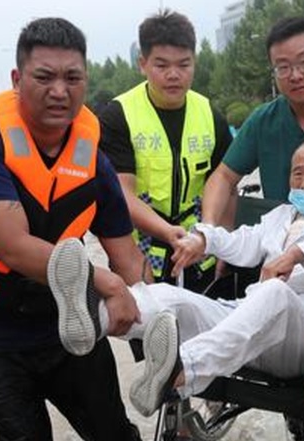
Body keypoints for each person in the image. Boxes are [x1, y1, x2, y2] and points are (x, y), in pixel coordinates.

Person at [0, 18, 163, 441]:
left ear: (86, 81)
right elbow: (15, 248)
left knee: (117, 438)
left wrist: (155, 326)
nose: (59, 91)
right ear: (17, 79)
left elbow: (126, 256)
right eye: (44, 77)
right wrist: (105, 282)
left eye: (73, 78)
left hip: (70, 328)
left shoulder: (92, 154)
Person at [48, 138, 304, 417]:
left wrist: (295, 254)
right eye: (298, 173)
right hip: (249, 319)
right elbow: (241, 242)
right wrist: (202, 239)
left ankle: (183, 368)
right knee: (169, 297)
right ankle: (94, 321)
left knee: (276, 294)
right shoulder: (279, 216)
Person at [98, 10, 234, 291]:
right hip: (142, 256)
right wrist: (166, 232)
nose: (174, 75)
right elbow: (121, 192)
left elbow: (226, 184)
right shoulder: (118, 115)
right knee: (152, 331)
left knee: (209, 331)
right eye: (161, 65)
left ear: (194, 63)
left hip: (200, 252)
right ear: (142, 64)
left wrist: (224, 242)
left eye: (184, 65)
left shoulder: (210, 114)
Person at [201, 17, 304, 227]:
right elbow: (223, 176)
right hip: (283, 241)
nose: (295, 75)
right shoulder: (264, 121)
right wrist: (208, 228)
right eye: (283, 67)